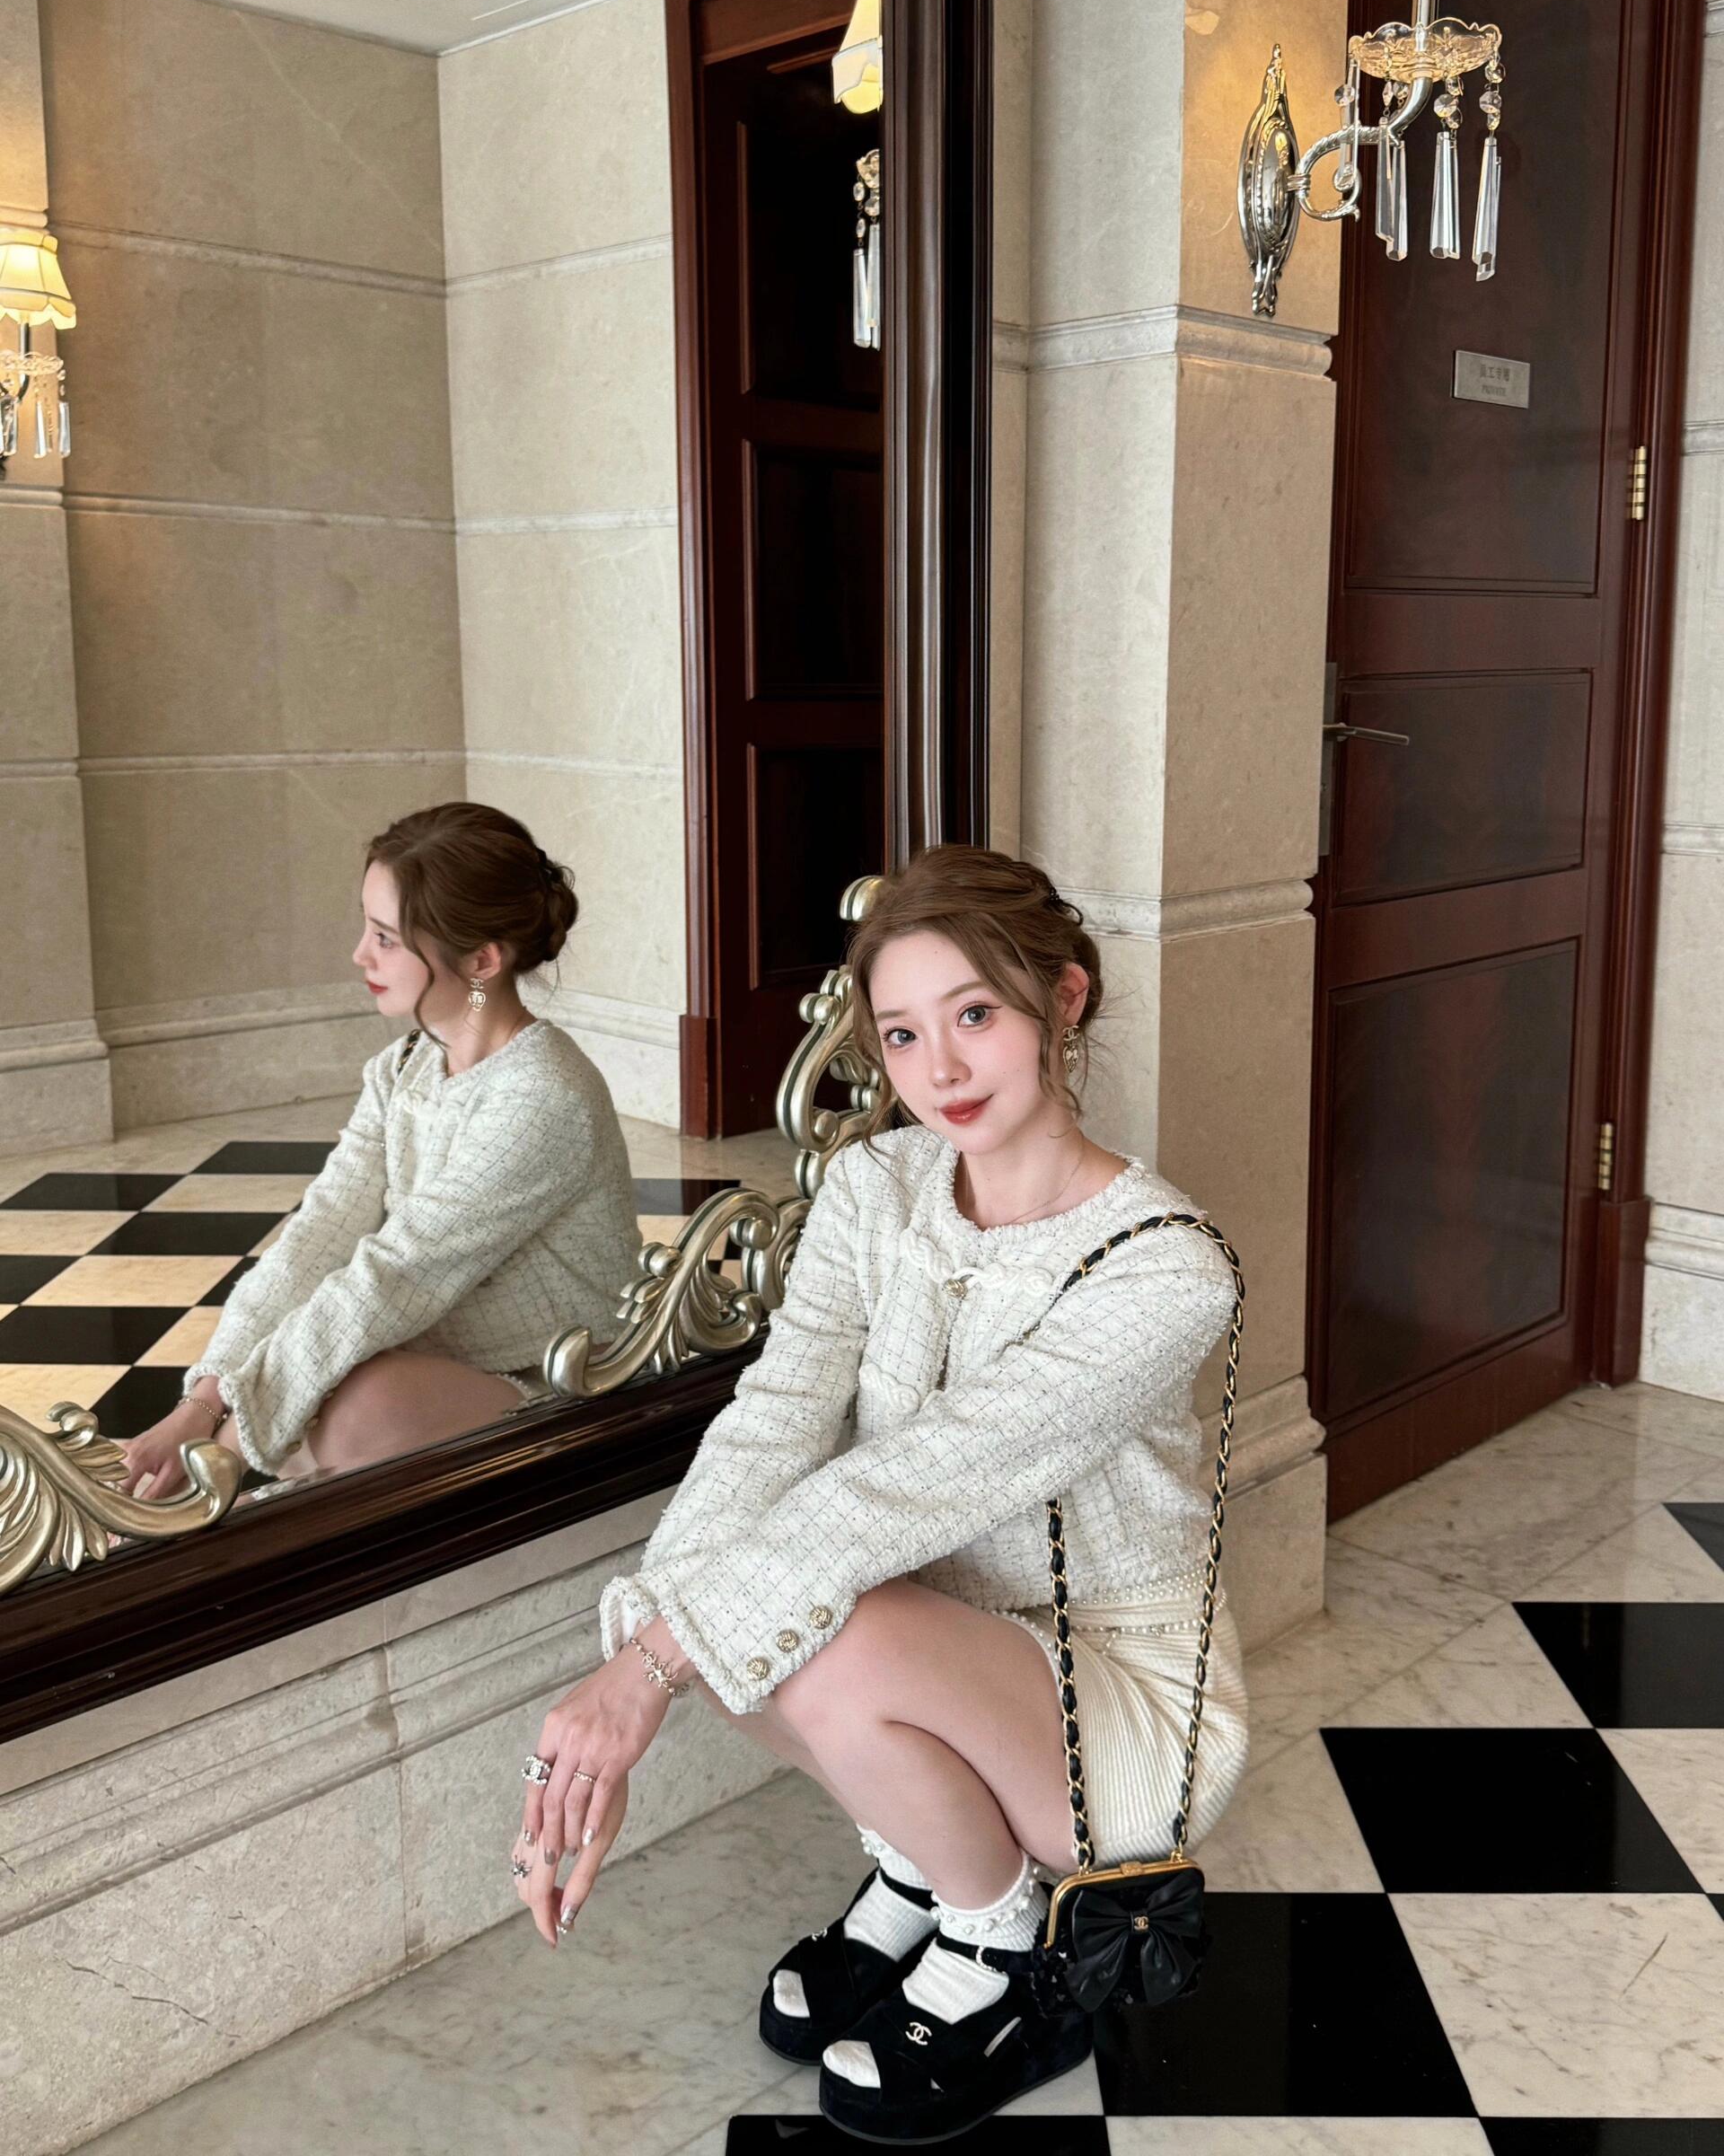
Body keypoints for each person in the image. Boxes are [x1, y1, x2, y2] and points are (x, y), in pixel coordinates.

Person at [508, 843, 1251, 2143]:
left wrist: (651, 1670)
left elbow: (914, 1483)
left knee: (796, 1624)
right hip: (934, 1645)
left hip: (1114, 1705)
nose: (940, 1068)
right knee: (741, 1618)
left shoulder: (1165, 1269)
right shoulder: (876, 1187)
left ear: (1063, 999)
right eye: (902, 1035)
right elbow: (774, 1420)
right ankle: (924, 1863)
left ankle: (1000, 1939)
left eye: (976, 1015)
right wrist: (643, 1649)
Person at [118, 802, 641, 1496]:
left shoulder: (543, 1096)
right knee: (307, 1379)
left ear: (481, 961)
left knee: (343, 1408)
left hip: (563, 1379)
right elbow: (318, 1239)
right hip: (433, 1354)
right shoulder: (402, 1068)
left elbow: (395, 1275)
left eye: (386, 938)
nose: (360, 954)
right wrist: (205, 1401)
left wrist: (224, 1448)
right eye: (367, 927)